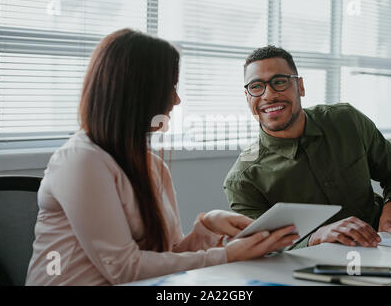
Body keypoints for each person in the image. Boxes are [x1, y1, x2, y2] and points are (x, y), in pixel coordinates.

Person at [25, 30, 299, 286]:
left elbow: (166, 257)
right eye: (169, 88)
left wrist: (208, 227)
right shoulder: (81, 160)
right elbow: (123, 269)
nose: (176, 100)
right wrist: (226, 255)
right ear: (137, 94)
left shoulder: (152, 165)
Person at [224, 45, 391, 250]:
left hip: (386, 244)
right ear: (247, 96)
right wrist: (315, 237)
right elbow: (259, 246)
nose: (268, 95)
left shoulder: (346, 120)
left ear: (300, 87)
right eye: (256, 86)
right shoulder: (243, 179)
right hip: (311, 269)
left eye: (279, 82)